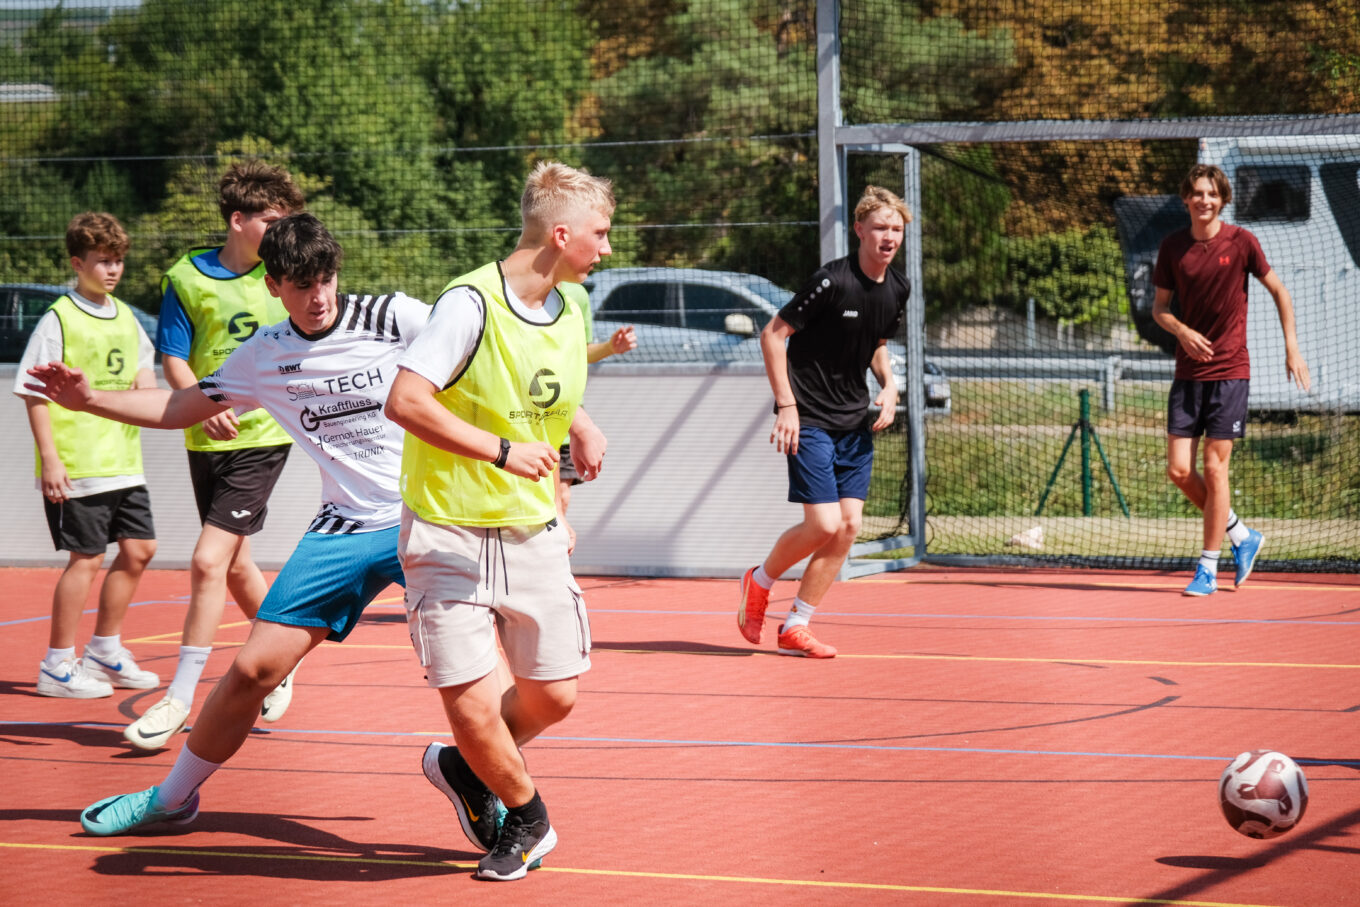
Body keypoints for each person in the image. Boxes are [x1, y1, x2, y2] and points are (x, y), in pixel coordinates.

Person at [26, 213, 424, 835]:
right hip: (344, 529)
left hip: (429, 518)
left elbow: (489, 360)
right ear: (273, 286)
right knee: (251, 672)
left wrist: (573, 426)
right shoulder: (266, 355)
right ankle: (172, 798)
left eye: (325, 280)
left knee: (480, 675)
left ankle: (496, 794)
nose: (317, 297)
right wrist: (88, 400)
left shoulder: (396, 317)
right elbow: (181, 405)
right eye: (300, 285)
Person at [385, 160, 611, 881]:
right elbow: (408, 399)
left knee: (555, 693)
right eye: (600, 235)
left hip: (531, 527)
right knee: (473, 703)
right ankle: (529, 819)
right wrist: (501, 449)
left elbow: (527, 378)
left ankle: (465, 766)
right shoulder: (467, 302)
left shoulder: (571, 306)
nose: (606, 249)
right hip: (447, 530)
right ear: (562, 233)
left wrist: (581, 422)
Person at [129, 160, 306, 750]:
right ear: (239, 220)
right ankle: (279, 659)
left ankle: (179, 697)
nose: (283, 233)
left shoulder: (284, 277)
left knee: (207, 561)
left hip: (263, 438)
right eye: (273, 221)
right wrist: (203, 400)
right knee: (233, 566)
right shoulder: (185, 277)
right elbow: (174, 358)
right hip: (206, 435)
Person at [736, 186, 909, 658]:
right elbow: (773, 335)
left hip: (854, 420)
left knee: (848, 527)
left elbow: (876, 342)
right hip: (809, 415)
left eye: (896, 229)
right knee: (824, 523)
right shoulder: (831, 281)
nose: (888, 236)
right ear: (859, 230)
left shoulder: (898, 287)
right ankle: (760, 581)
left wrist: (889, 386)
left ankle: (797, 624)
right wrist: (786, 406)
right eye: (879, 228)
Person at [12, 212, 160, 699]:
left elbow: (143, 382)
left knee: (140, 550)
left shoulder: (127, 316)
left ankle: (104, 650)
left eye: (118, 261)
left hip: (124, 460)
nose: (113, 270)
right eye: (102, 261)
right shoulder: (59, 317)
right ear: (78, 263)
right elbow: (34, 394)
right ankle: (57, 664)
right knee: (86, 558)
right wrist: (50, 459)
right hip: (79, 463)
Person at [1151, 164, 1311, 596]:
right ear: (1186, 198)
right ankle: (1241, 534)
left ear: (1222, 200)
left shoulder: (1242, 242)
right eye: (1198, 193)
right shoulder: (1172, 248)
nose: (1205, 200)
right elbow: (1160, 309)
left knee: (1214, 468)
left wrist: (1291, 347)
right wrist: (1182, 330)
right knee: (1179, 470)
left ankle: (1207, 567)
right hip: (1188, 373)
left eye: (1213, 194)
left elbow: (1280, 290)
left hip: (1229, 372)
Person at [556, 319, 635, 551]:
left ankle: (557, 551)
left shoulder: (574, 298)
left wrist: (610, 347)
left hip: (564, 418)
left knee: (561, 494)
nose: (585, 278)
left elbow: (581, 351)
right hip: (529, 421)